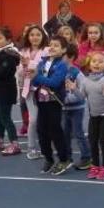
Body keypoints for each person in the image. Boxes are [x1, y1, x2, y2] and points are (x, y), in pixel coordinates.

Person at [32, 35, 71, 175]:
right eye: (51, 45)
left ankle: (64, 159)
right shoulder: (43, 62)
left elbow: (54, 83)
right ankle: (48, 158)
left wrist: (36, 77)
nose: (52, 47)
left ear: (64, 49)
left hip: (54, 101)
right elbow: (35, 83)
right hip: (41, 101)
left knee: (55, 131)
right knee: (41, 130)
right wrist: (33, 76)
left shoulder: (62, 65)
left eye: (56, 45)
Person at [78, 51, 104, 180]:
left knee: (103, 140)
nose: (97, 64)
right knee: (92, 141)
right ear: (89, 64)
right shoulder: (85, 81)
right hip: (94, 115)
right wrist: (73, 89)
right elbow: (82, 97)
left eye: (100, 62)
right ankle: (95, 166)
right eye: (94, 61)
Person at [17, 24, 49, 159]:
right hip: (29, 90)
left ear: (43, 36)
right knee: (33, 119)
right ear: (27, 37)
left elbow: (47, 69)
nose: (35, 37)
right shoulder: (23, 51)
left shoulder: (47, 51)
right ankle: (31, 147)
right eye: (32, 35)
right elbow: (19, 73)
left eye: (38, 35)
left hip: (44, 90)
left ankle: (45, 147)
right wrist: (23, 67)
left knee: (45, 119)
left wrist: (31, 64)